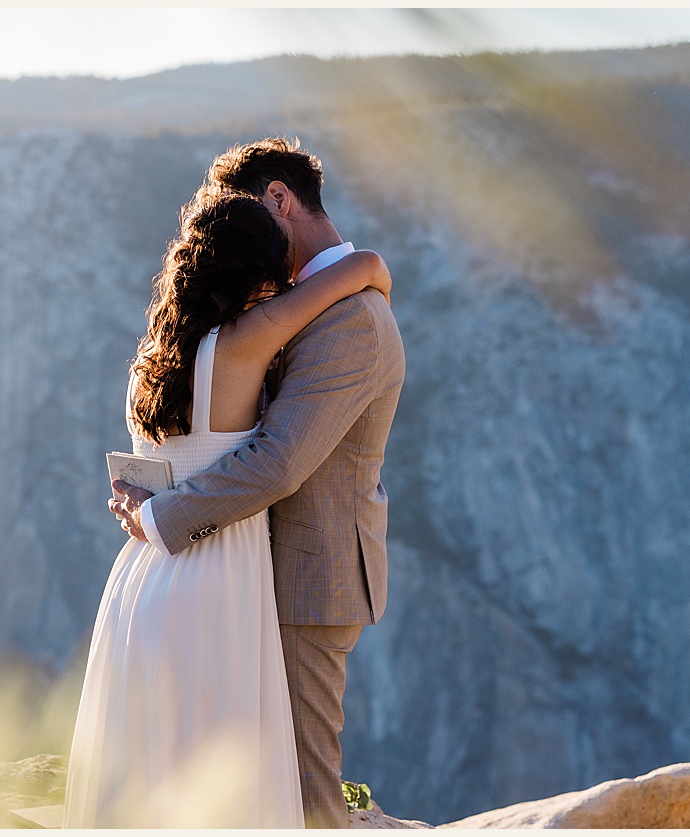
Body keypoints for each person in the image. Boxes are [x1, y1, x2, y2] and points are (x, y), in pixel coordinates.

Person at [107, 138, 407, 829]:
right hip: (239, 570)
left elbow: (279, 459)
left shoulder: (354, 319)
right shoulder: (297, 307)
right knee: (247, 779)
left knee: (303, 794)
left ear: (278, 199)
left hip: (307, 575)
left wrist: (163, 515)